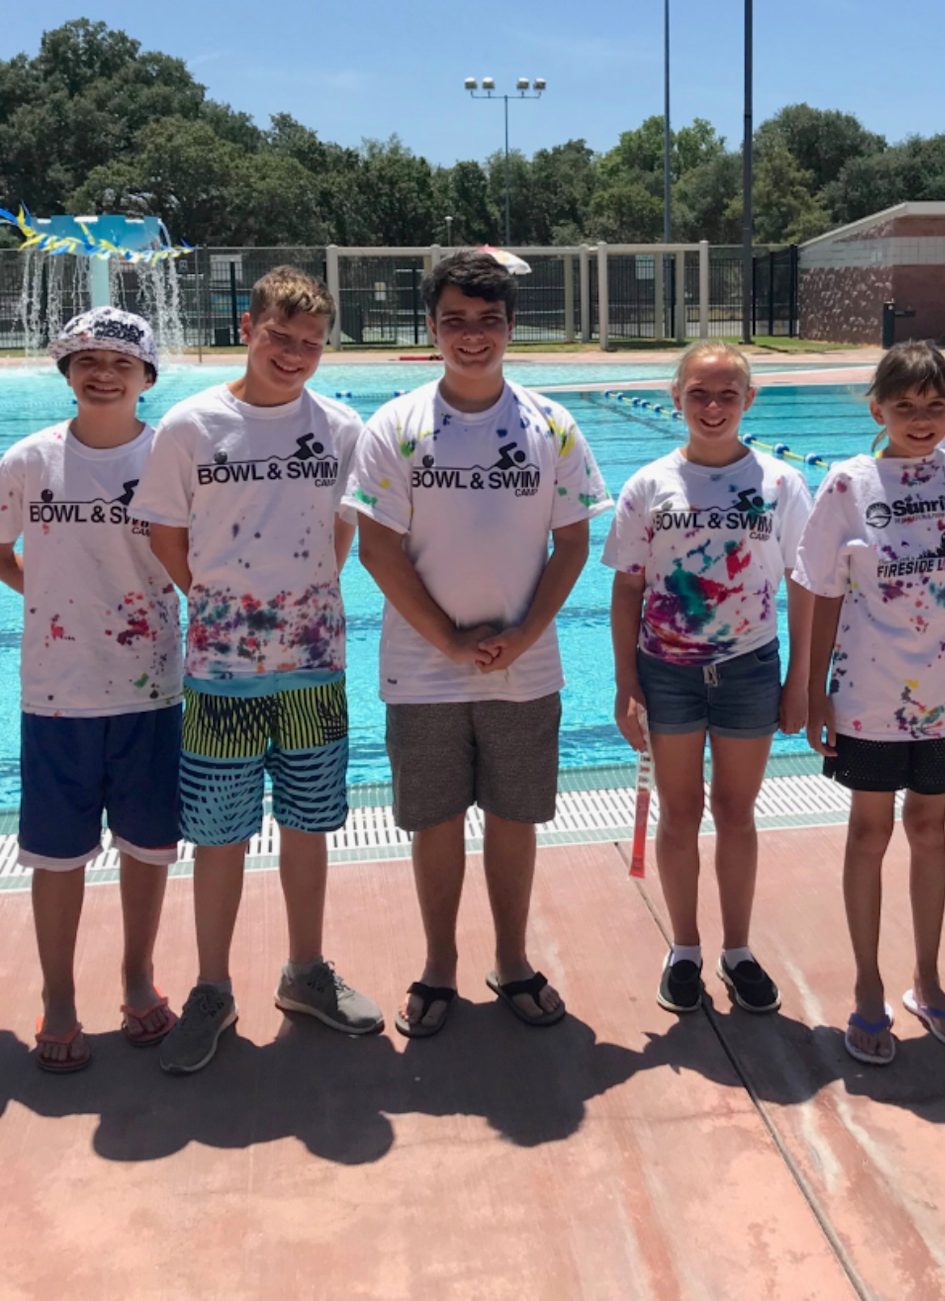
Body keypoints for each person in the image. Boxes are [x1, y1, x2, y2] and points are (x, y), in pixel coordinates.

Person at [346, 248, 609, 1039]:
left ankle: (513, 959)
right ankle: (439, 965)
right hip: (424, 671)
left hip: (526, 670)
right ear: (431, 328)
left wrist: (525, 633)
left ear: (509, 327)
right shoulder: (395, 425)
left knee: (512, 817)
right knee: (433, 822)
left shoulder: (551, 426)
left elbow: (572, 544)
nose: (472, 336)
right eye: (454, 321)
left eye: (487, 321)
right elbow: (377, 551)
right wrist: (452, 643)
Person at [132, 267, 382, 1075]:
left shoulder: (341, 427)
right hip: (219, 673)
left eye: (311, 344)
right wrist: (213, 600)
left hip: (313, 669)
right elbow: (166, 534)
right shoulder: (192, 425)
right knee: (218, 835)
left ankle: (305, 972)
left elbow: (343, 531)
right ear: (249, 326)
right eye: (281, 337)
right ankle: (212, 988)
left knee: (309, 824)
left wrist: (302, 602)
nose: (296, 355)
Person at [0, 308, 184, 1072]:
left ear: (147, 377)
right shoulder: (31, 460)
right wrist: (50, 594)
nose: (103, 375)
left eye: (121, 364)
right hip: (57, 692)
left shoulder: (170, 458)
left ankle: (136, 977)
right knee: (56, 856)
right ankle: (58, 995)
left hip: (151, 688)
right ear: (66, 372)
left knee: (148, 848)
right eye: (87, 361)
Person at [798, 341, 945, 1065]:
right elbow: (823, 592)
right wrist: (813, 689)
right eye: (906, 406)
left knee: (929, 829)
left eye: (937, 405)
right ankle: (866, 987)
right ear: (877, 408)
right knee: (868, 832)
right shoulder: (848, 484)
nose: (923, 420)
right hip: (866, 693)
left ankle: (927, 980)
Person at [604, 341, 812, 1016]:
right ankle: (686, 949)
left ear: (749, 401)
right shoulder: (647, 485)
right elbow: (627, 591)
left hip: (751, 667)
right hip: (667, 672)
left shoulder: (782, 484)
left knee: (734, 811)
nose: (714, 406)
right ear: (677, 400)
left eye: (728, 394)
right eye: (700, 393)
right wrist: (623, 681)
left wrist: (800, 680)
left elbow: (804, 587)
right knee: (681, 810)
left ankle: (739, 950)